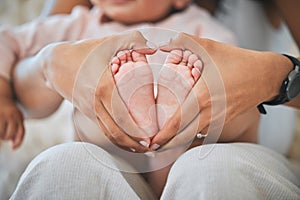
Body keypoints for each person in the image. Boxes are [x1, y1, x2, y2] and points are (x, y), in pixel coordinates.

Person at [7, 0, 300, 199]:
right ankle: (138, 103)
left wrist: (270, 76)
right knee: (71, 157)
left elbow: (231, 78)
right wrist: (26, 76)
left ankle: (166, 107)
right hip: (113, 146)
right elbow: (12, 44)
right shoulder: (79, 24)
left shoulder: (196, 26)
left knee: (222, 112)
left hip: (198, 140)